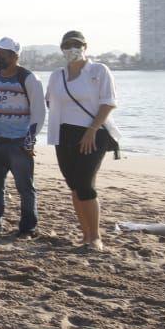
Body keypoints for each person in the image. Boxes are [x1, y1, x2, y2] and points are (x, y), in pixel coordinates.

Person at [46, 30, 119, 252]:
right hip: (64, 134)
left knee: (86, 184)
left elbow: (108, 102)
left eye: (76, 44)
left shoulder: (98, 71)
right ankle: (85, 234)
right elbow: (50, 101)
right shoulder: (57, 75)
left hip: (93, 133)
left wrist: (92, 129)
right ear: (61, 49)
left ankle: (96, 237)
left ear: (85, 47)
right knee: (74, 185)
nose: (72, 49)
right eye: (67, 45)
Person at [0, 38, 46, 239]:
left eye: (2, 54)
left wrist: (29, 141)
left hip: (18, 143)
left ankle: (27, 228)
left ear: (15, 56)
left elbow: (38, 113)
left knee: (25, 188)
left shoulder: (29, 78)